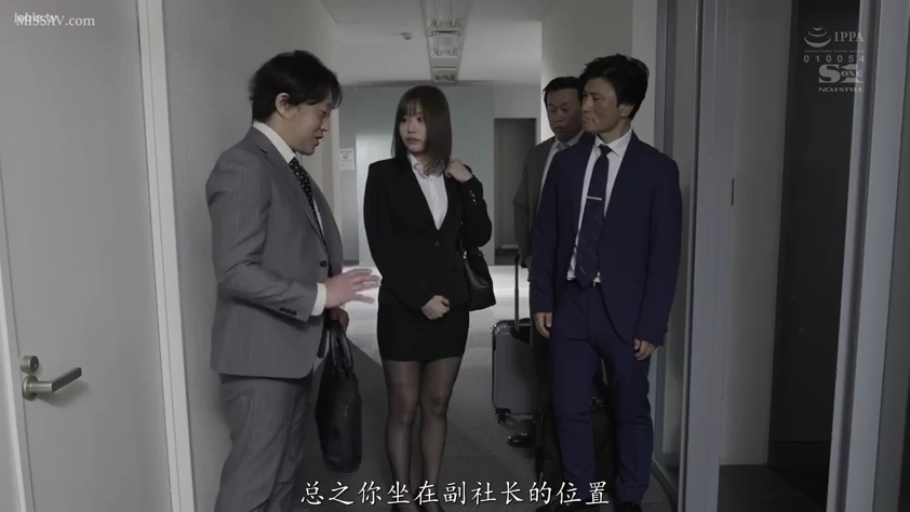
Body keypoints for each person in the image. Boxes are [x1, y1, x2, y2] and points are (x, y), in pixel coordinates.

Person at [206, 50, 380, 512]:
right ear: (284, 104)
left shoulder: (286, 168)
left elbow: (296, 247)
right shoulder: (245, 165)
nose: (325, 126)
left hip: (294, 352)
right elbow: (235, 270)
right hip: (261, 360)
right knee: (252, 487)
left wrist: (328, 303)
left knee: (284, 477)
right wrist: (322, 295)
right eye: (321, 112)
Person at [531, 54, 683, 512]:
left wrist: (652, 324)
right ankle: (581, 494)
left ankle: (631, 495)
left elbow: (665, 255)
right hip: (571, 302)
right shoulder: (566, 163)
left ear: (627, 106)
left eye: (597, 98)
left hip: (627, 313)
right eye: (585, 97)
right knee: (568, 407)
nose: (586, 107)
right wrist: (543, 299)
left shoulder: (657, 170)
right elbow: (546, 236)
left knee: (630, 408)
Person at [362, 85, 493, 512]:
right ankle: (403, 499)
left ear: (437, 123)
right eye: (404, 118)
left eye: (420, 119)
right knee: (403, 407)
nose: (411, 127)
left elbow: (480, 234)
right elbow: (382, 246)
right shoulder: (383, 174)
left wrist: (470, 183)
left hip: (452, 307)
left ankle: (429, 493)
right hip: (403, 307)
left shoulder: (457, 176)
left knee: (437, 404)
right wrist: (420, 298)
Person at [509, 76, 588, 448]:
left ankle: (573, 438)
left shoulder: (594, 153)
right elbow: (522, 205)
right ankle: (542, 432)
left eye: (565, 109)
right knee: (541, 354)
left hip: (579, 276)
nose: (557, 117)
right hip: (541, 271)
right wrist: (528, 254)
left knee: (575, 362)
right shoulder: (539, 154)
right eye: (551, 109)